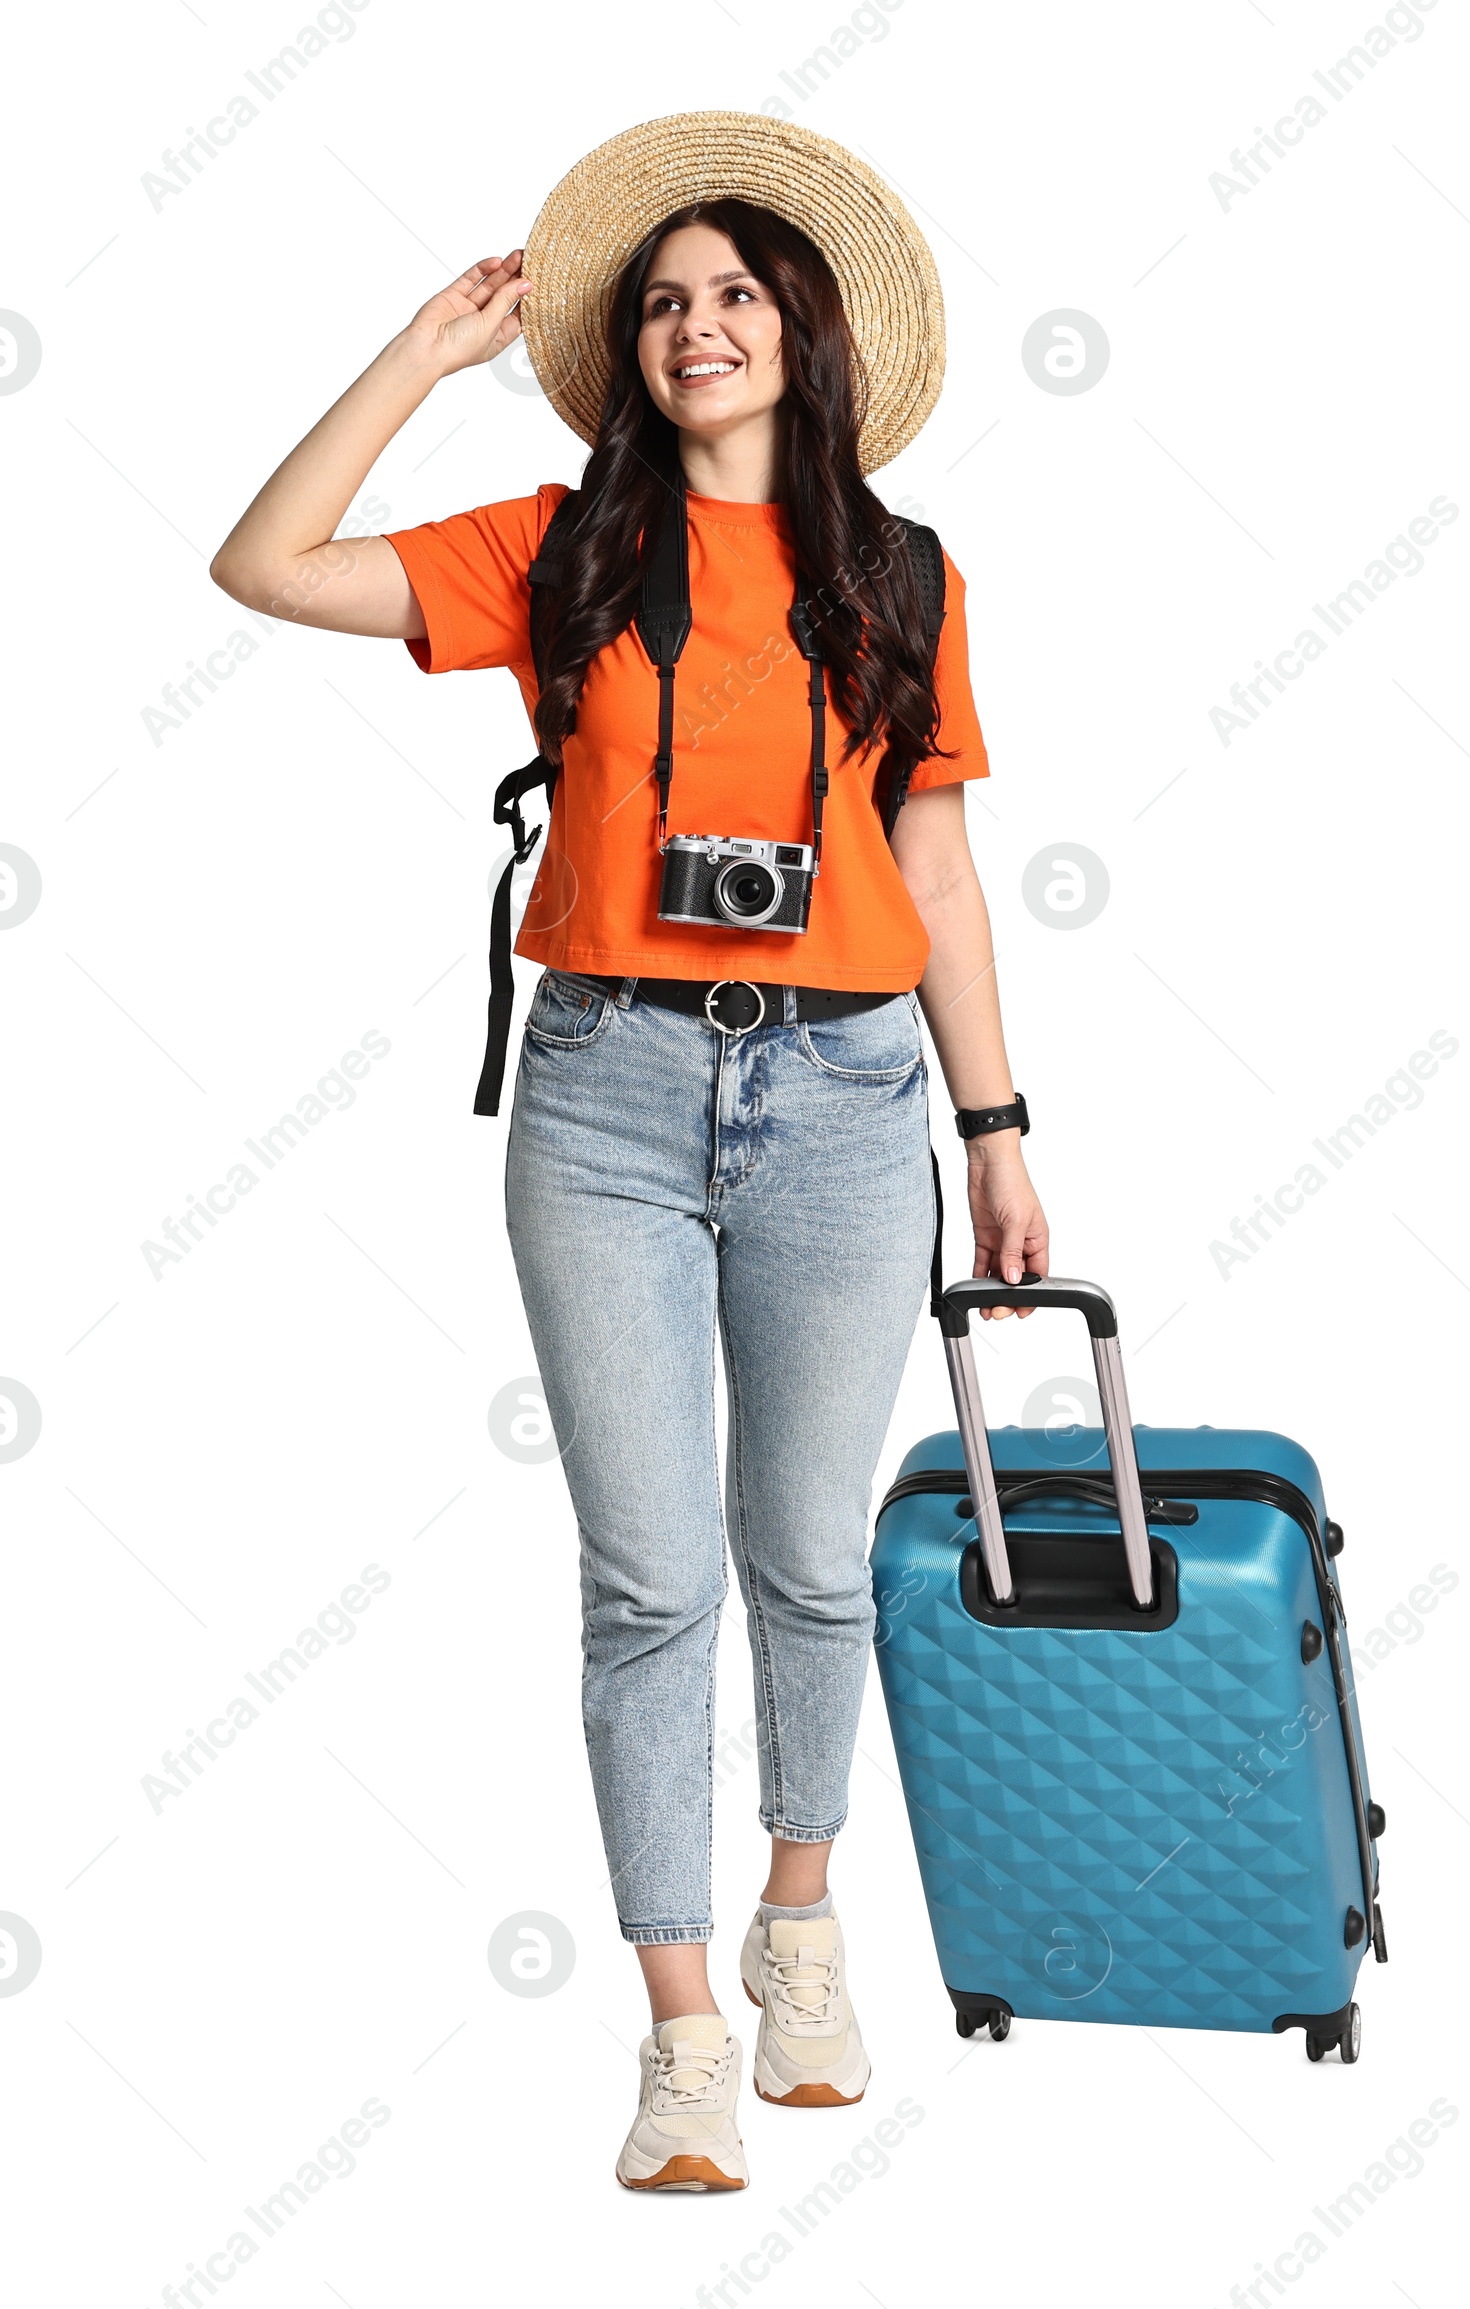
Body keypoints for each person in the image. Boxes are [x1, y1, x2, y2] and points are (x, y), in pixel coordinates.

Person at [211, 109, 1047, 2193]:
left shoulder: (900, 573)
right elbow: (263, 564)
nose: (696, 326)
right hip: (603, 1095)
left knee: (808, 1560)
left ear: (804, 333)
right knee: (646, 1579)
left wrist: (1000, 1127)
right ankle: (681, 2033)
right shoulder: (563, 548)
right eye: (663, 302)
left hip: (850, 1099)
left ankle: (799, 1921)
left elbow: (931, 863)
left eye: (734, 295)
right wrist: (420, 353)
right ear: (627, 348)